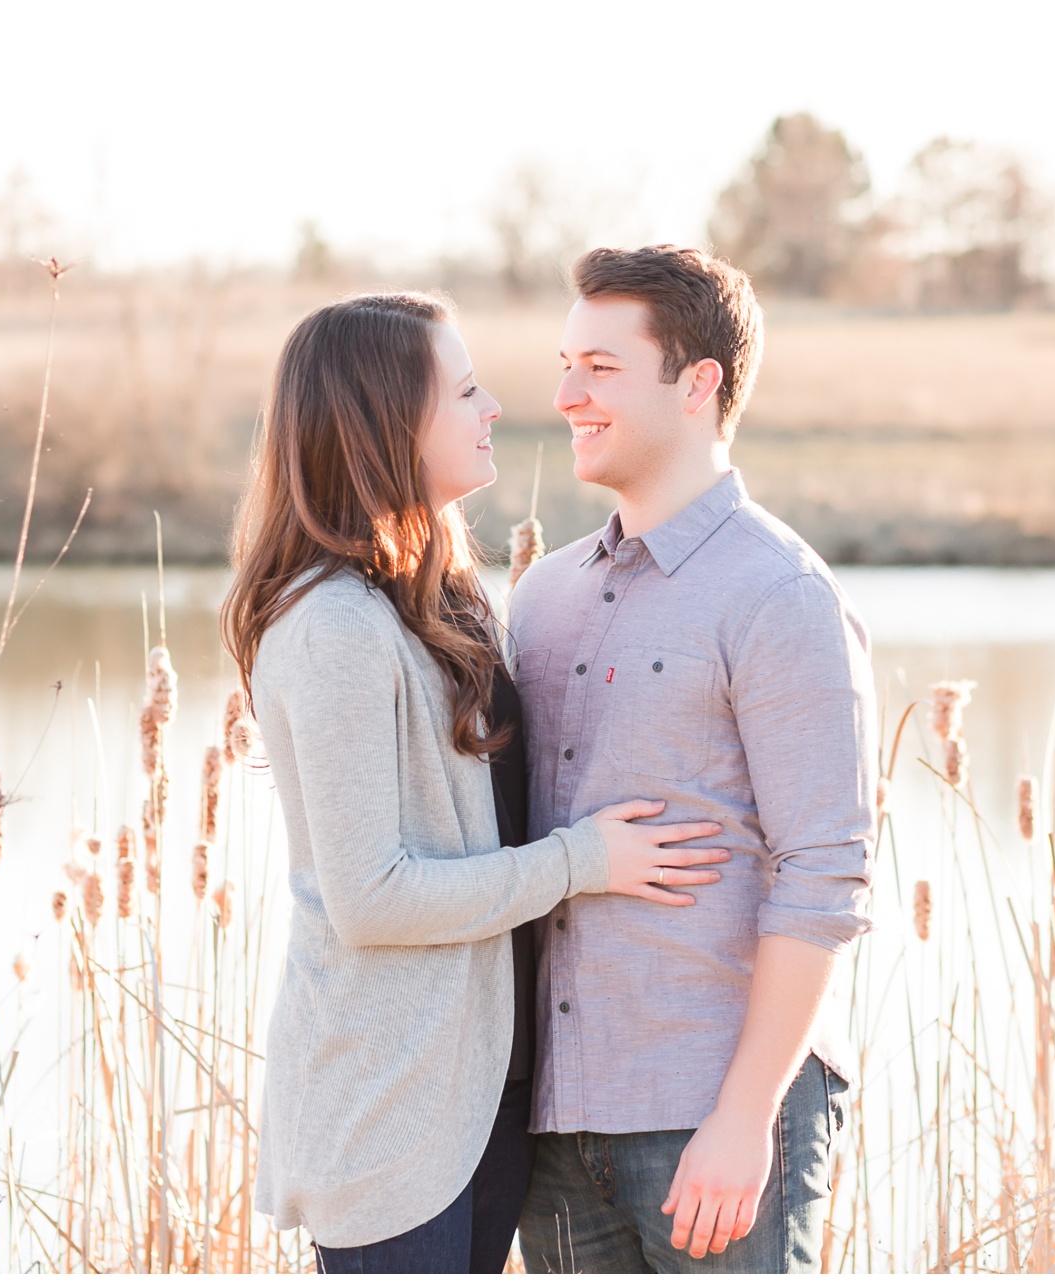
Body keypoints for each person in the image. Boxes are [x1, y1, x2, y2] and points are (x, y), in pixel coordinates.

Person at [220, 291, 730, 1274]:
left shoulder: (438, 600)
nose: (494, 406)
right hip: (392, 1104)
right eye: (462, 391)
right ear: (382, 425)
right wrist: (585, 862)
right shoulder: (331, 628)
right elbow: (372, 900)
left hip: (482, 1087)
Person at [510, 246, 878, 1273]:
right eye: (565, 363)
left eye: (600, 367)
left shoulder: (780, 595)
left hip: (709, 1116)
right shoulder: (543, 595)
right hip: (557, 1118)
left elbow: (825, 875)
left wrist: (743, 1115)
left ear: (699, 381)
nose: (566, 394)